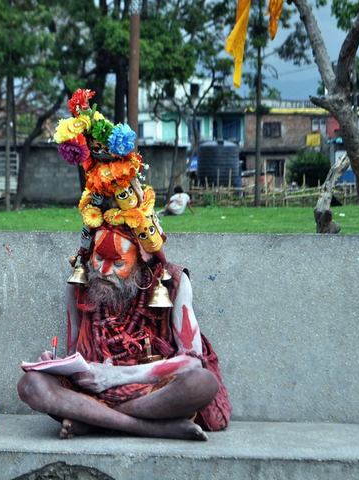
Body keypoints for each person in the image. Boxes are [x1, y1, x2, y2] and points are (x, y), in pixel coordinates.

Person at [18, 88, 231, 441]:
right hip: (93, 395)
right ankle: (144, 428)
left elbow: (191, 361)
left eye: (116, 261)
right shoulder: (82, 283)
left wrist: (115, 376)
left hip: (150, 391)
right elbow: (74, 355)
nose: (102, 269)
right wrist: (57, 364)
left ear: (142, 256)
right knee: (32, 385)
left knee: (201, 383)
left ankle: (93, 422)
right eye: (98, 258)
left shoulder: (173, 283)